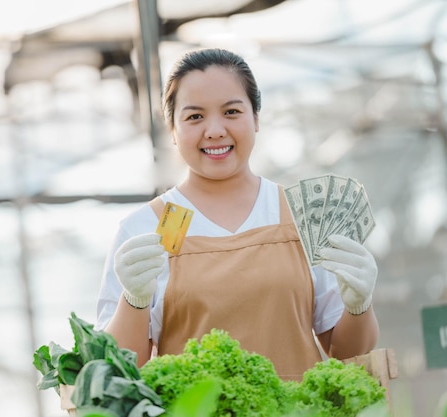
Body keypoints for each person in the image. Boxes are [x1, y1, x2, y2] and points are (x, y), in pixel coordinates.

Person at [95, 47, 379, 381]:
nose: (214, 130)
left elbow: (346, 354)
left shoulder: (302, 216)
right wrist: (134, 301)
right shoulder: (146, 229)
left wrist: (359, 306)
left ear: (256, 118)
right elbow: (120, 368)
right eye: (194, 116)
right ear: (172, 129)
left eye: (231, 111)